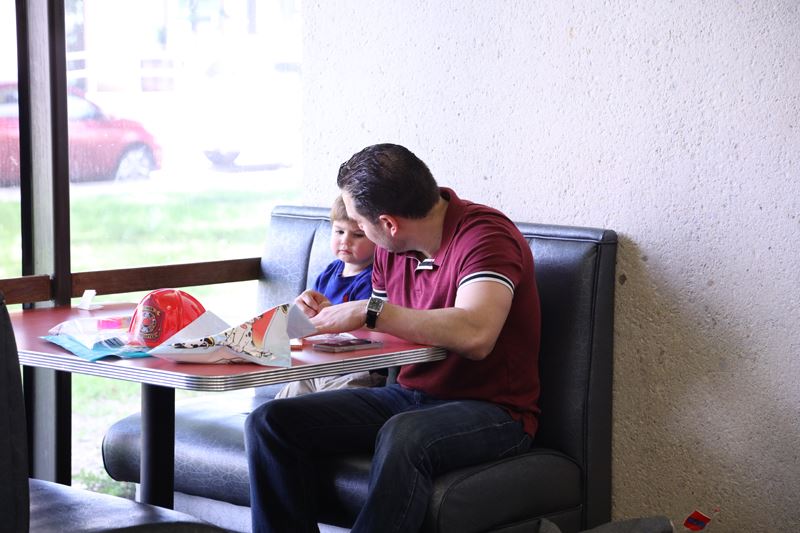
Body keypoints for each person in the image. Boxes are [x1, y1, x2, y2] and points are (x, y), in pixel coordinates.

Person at [245, 143, 541, 533]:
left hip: (495, 411)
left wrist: (369, 312)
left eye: (359, 223)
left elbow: (476, 333)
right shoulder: (391, 248)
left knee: (405, 433)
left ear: (388, 223)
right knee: (270, 422)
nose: (357, 231)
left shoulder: (486, 237)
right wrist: (329, 318)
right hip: (409, 395)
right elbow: (386, 332)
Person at [274, 195, 384, 398]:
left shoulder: (374, 280)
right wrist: (304, 309)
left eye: (358, 235)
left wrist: (331, 316)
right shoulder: (330, 272)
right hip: (318, 366)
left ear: (378, 237)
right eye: (339, 231)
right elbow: (309, 320)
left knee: (318, 409)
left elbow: (372, 330)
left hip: (353, 371)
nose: (345, 241)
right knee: (280, 404)